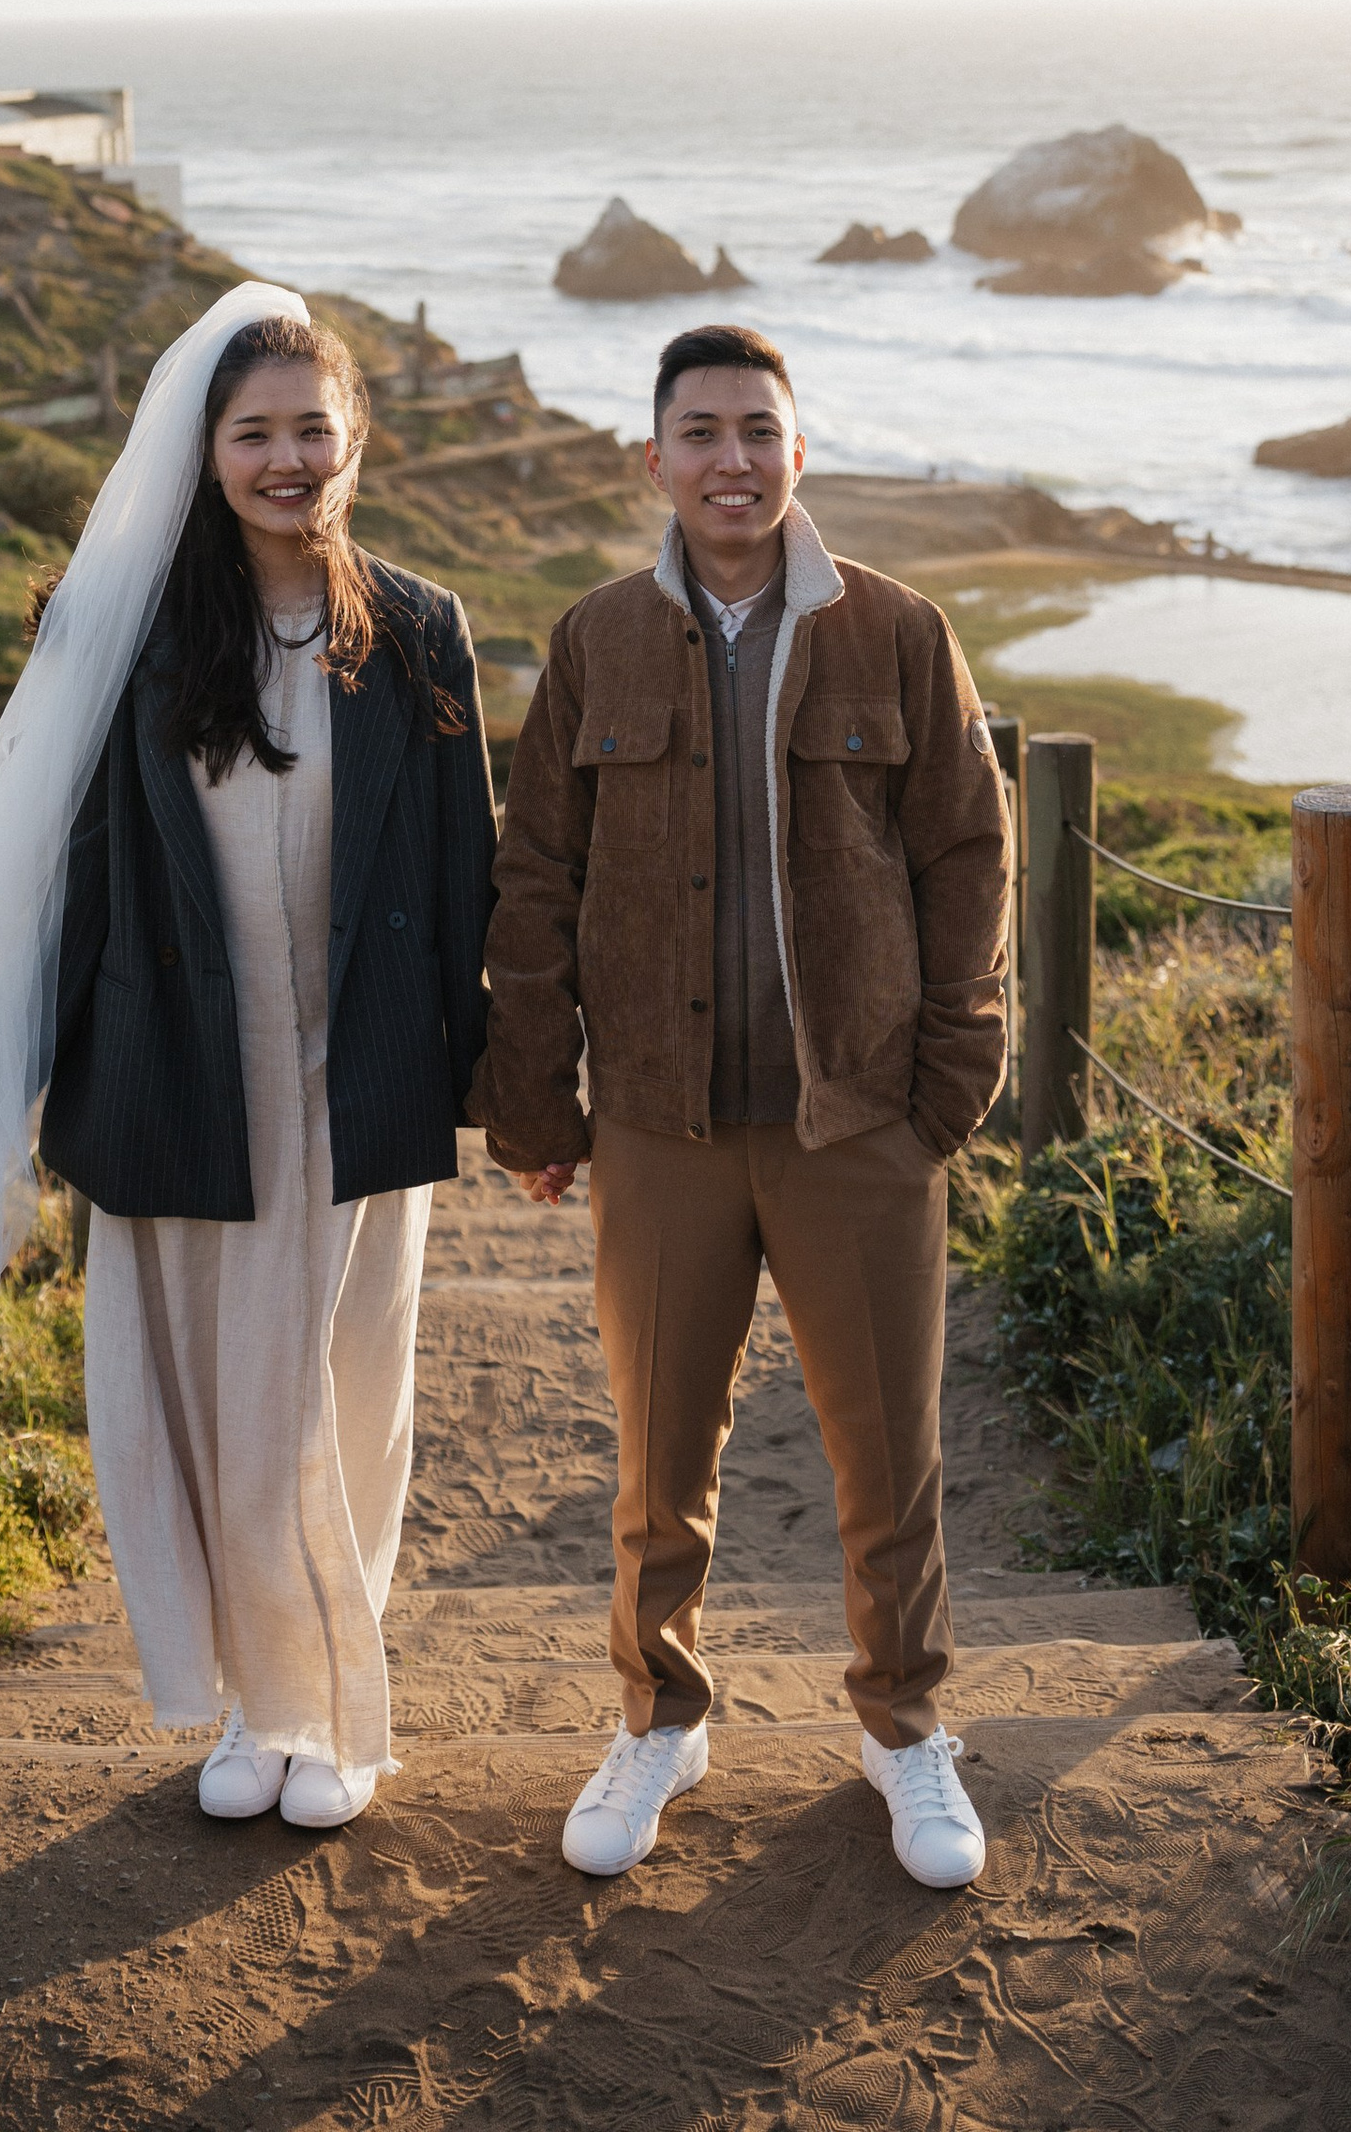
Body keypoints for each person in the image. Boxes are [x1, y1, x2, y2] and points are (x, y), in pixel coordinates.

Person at [476, 322, 1011, 1891]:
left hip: (862, 1127)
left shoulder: (902, 634)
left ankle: (907, 1733)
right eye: (699, 432)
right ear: (654, 461)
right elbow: (534, 878)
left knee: (887, 1456)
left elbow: (971, 859)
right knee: (657, 1455)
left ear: (801, 449)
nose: (731, 458)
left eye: (757, 430)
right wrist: (536, 1108)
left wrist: (948, 1084)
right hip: (658, 1124)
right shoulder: (593, 642)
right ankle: (662, 1717)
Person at [39, 308, 497, 1828]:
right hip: (180, 1069)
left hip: (355, 1073)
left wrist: (498, 1088)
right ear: (207, 452)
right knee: (204, 1397)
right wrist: (50, 1080)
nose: (289, 460)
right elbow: (74, 871)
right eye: (257, 435)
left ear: (354, 438)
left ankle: (334, 1720)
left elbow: (463, 875)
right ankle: (250, 1703)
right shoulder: (130, 637)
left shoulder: (420, 628)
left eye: (314, 429)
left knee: (344, 1396)